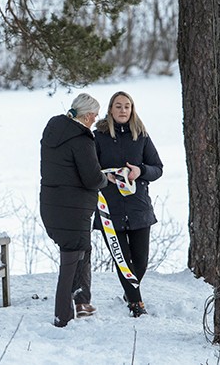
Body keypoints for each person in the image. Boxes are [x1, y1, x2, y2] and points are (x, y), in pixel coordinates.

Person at [39, 93, 108, 328]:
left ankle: (82, 303)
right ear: (88, 116)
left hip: (51, 205)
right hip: (74, 209)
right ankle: (62, 317)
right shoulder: (81, 139)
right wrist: (104, 179)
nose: (95, 120)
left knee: (82, 252)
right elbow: (91, 178)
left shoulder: (53, 131)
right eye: (95, 116)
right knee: (70, 260)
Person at [93, 91, 163, 318]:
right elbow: (89, 171)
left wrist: (139, 171)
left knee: (140, 262)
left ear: (132, 110)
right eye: (118, 106)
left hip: (139, 209)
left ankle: (130, 292)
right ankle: (136, 304)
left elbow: (157, 168)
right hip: (109, 210)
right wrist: (106, 176)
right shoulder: (98, 137)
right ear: (110, 110)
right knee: (122, 260)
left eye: (127, 106)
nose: (123, 110)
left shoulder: (141, 135)